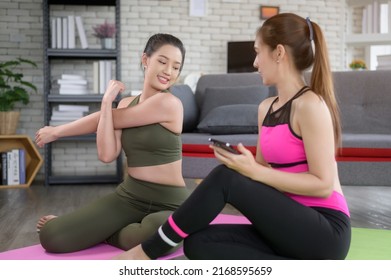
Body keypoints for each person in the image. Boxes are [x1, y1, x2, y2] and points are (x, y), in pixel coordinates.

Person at [113, 13, 351, 260]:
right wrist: (246, 166)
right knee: (198, 243)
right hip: (286, 226)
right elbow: (265, 177)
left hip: (324, 231)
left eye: (258, 52)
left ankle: (144, 253)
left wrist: (251, 173)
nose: (256, 63)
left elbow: (323, 185)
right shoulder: (266, 108)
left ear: (279, 53)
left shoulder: (310, 105)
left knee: (226, 178)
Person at [35, 33, 190, 254]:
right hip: (130, 195)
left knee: (154, 235)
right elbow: (107, 155)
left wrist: (57, 131)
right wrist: (107, 101)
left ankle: (102, 233)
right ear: (145, 60)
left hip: (171, 202)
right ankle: (95, 228)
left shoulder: (169, 103)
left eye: (176, 67)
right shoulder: (126, 103)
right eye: (162, 62)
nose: (168, 72)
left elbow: (109, 118)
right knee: (52, 236)